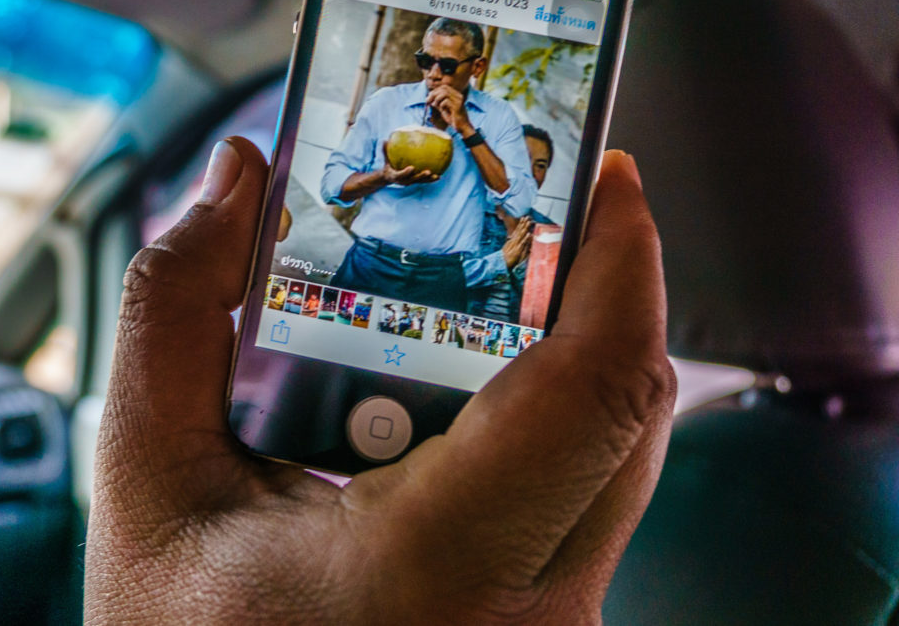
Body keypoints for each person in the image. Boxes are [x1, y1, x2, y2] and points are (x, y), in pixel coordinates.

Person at [84, 137, 675, 623]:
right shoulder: (446, 216)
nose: (522, 173)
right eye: (517, 158)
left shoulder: (547, 236)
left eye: (537, 166)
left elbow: (527, 323)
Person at [321, 17, 535, 311]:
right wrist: (383, 176)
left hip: (443, 276)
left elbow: (520, 201)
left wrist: (467, 130)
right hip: (371, 263)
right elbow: (331, 186)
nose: (433, 75)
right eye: (425, 61)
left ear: (477, 67)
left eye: (447, 65)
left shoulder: (498, 117)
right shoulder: (386, 103)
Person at [465, 124, 557, 321]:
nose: (530, 172)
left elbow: (549, 308)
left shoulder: (549, 232)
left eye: (540, 165)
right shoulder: (465, 213)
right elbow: (440, 279)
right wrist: (501, 262)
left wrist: (520, 267)